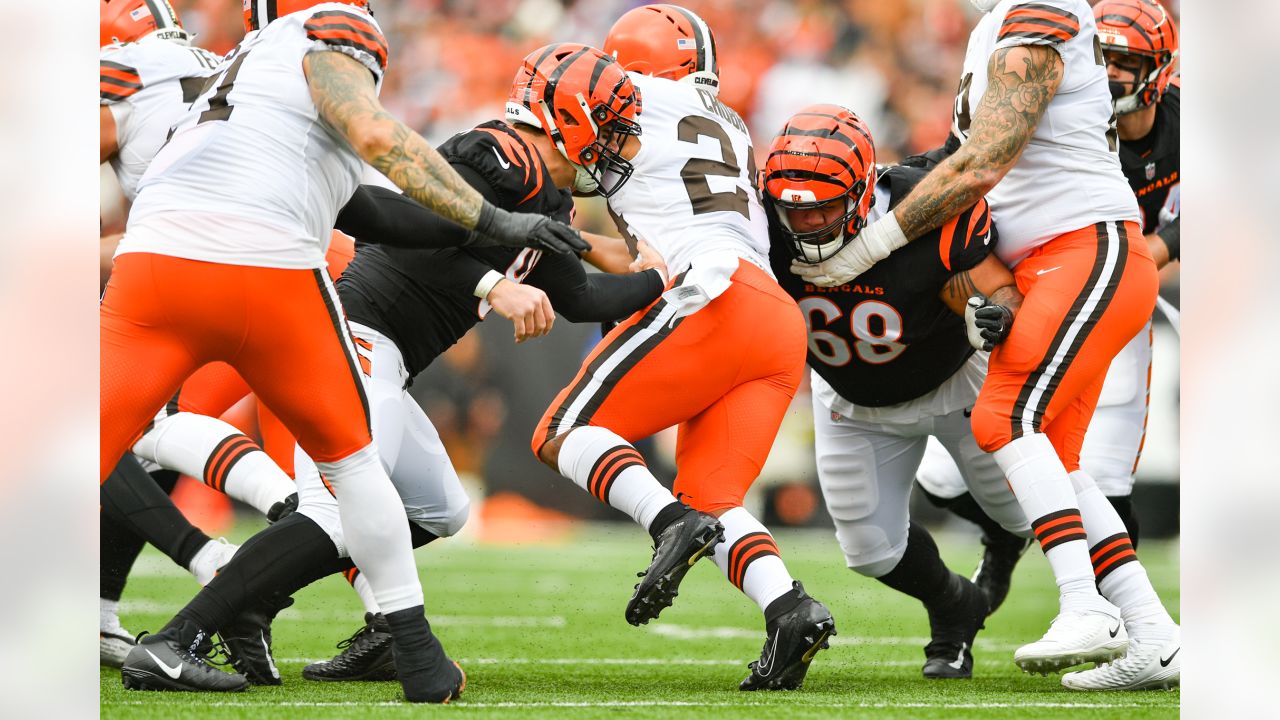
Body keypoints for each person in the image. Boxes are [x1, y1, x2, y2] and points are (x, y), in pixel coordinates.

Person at [126, 52, 662, 688]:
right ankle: (176, 636)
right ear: (566, 117)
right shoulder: (497, 155)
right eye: (606, 125)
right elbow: (416, 234)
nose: (612, 144)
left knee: (441, 510)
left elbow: (578, 300)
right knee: (333, 511)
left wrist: (663, 276)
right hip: (353, 337)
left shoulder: (546, 195)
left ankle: (274, 603)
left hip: (388, 361)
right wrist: (494, 285)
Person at [791, 0, 1179, 690]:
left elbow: (980, 164)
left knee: (1004, 417)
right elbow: (949, 159)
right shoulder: (994, 26)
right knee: (1057, 457)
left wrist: (869, 244)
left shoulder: (1042, 14)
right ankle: (1155, 635)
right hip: (1052, 259)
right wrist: (880, 191)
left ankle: (1084, 603)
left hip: (1081, 247)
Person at [532, 9, 835, 692]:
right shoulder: (727, 121)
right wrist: (574, 244)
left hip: (711, 296)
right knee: (715, 494)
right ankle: (790, 608)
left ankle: (670, 523)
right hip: (773, 319)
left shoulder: (630, 102)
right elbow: (646, 248)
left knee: (561, 432)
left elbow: (566, 122)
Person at [764, 104, 1031, 679]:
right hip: (851, 400)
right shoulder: (757, 221)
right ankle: (955, 607)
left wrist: (995, 314)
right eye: (792, 208)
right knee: (869, 551)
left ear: (863, 192)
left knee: (1021, 512)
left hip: (951, 382)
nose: (805, 223)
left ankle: (1004, 539)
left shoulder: (924, 206)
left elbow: (998, 288)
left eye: (825, 207)